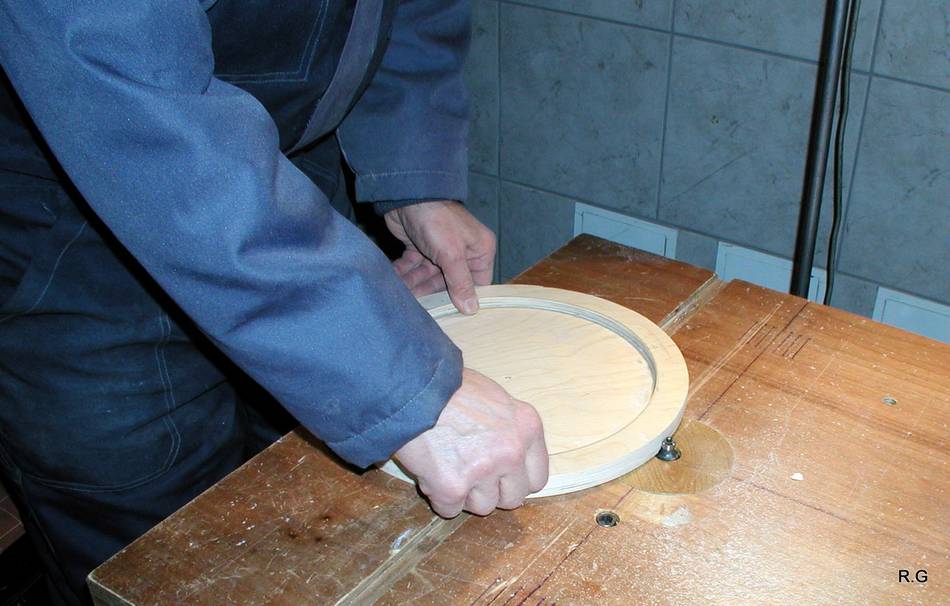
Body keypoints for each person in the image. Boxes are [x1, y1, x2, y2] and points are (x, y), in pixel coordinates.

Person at [0, 1, 548, 604]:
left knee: (304, 520)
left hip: (279, 185)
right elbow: (127, 100)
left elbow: (406, 11)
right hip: (75, 234)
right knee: (160, 566)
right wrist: (398, 381)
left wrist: (415, 175)